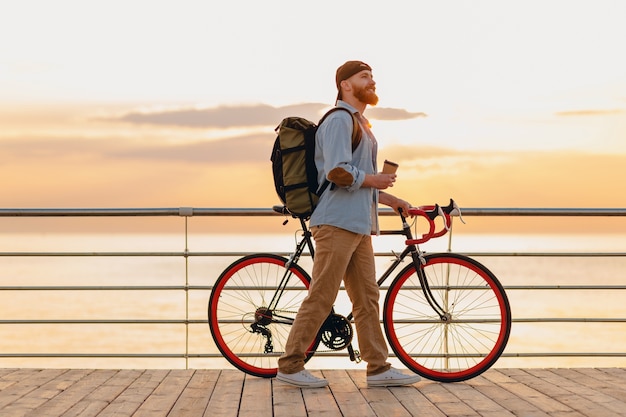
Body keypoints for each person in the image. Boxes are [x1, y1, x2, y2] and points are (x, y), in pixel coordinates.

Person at [276, 60, 422, 388]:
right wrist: (375, 180)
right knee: (323, 295)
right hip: (336, 223)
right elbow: (338, 173)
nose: (372, 81)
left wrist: (391, 199)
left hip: (358, 224)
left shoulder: (362, 124)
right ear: (345, 85)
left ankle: (378, 368)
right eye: (364, 76)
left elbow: (361, 182)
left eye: (372, 76)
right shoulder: (339, 120)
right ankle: (289, 364)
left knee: (367, 298)